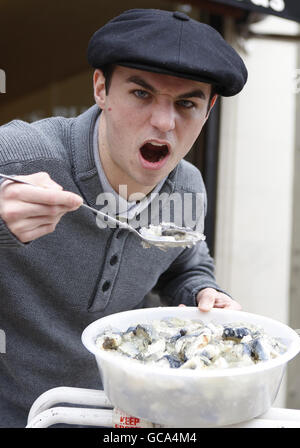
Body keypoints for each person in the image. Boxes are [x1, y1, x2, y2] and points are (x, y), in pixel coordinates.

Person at [0, 9, 247, 427]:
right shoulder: (19, 154)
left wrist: (204, 291)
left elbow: (186, 263)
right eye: (141, 94)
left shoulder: (188, 187)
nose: (164, 122)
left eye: (187, 103)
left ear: (208, 111)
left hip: (114, 415)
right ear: (101, 89)